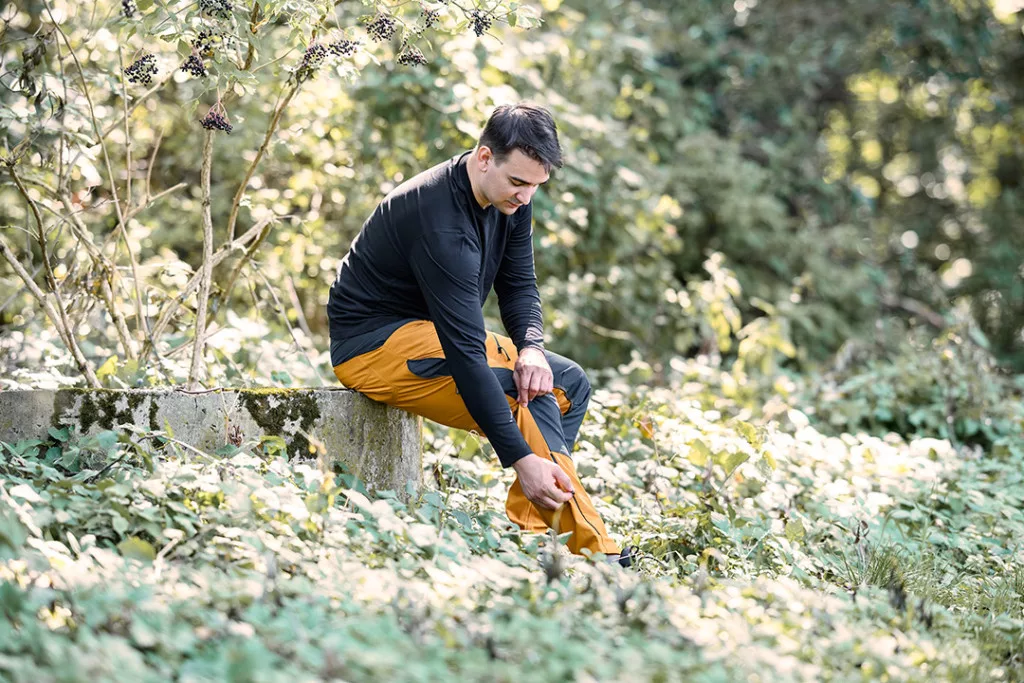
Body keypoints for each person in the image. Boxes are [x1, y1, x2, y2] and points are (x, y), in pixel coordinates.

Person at [327, 103, 631, 566]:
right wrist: (520, 459)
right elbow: (466, 354)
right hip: (373, 347)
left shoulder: (509, 199)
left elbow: (519, 284)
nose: (526, 196)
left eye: (536, 185)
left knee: (566, 382)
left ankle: (536, 531)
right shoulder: (440, 221)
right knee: (527, 394)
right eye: (519, 182)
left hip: (432, 334)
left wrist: (532, 348)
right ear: (485, 157)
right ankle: (594, 551)